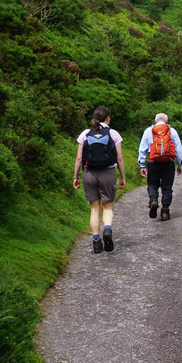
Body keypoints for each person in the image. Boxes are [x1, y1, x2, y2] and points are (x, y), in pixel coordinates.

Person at [73, 105, 126, 254]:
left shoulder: (85, 133)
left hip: (89, 174)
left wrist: (75, 176)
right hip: (108, 173)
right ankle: (107, 229)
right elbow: (120, 158)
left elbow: (78, 158)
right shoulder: (113, 133)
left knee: (94, 208)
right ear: (107, 118)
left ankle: (96, 242)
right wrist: (122, 177)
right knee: (107, 207)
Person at [137, 112, 182, 221]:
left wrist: (142, 165)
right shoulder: (171, 131)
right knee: (167, 187)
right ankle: (165, 212)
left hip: (153, 162)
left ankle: (153, 200)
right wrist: (180, 164)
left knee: (152, 183)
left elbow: (142, 148)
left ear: (155, 120)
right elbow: (178, 149)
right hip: (168, 162)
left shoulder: (149, 131)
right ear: (166, 121)